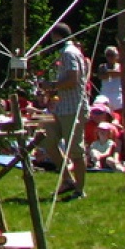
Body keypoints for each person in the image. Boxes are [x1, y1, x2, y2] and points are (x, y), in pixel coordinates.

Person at [43, 24, 88, 199]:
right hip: (63, 107)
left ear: (58, 36)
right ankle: (68, 180)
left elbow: (73, 79)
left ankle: (79, 190)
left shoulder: (69, 53)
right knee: (49, 143)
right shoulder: (66, 53)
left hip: (73, 108)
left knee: (75, 150)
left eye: (53, 37)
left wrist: (53, 85)